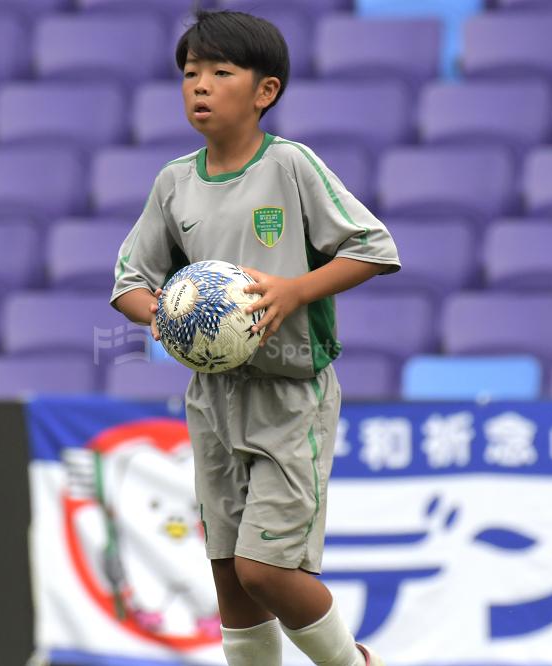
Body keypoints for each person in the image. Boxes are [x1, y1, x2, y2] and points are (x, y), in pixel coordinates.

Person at [110, 9, 400, 666]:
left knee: (265, 570)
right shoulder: (174, 182)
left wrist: (295, 290)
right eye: (191, 73)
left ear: (265, 90)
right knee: (231, 580)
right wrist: (163, 313)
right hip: (213, 399)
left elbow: (374, 248)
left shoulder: (290, 166)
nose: (200, 85)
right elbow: (130, 282)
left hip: (290, 396)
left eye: (221, 72)